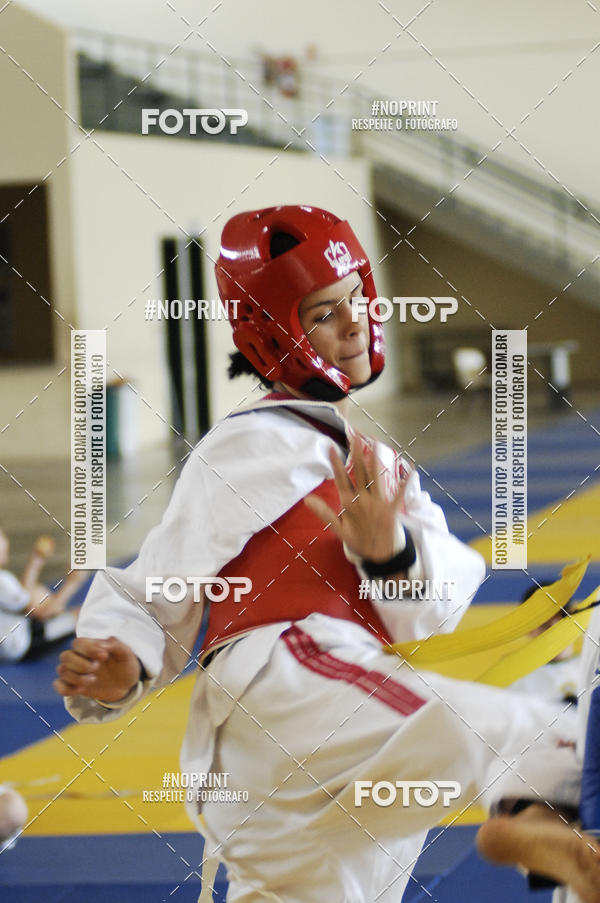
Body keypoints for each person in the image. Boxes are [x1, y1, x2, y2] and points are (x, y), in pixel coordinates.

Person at [54, 205, 599, 902]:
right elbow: (158, 578)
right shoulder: (250, 442)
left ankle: (558, 848)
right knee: (545, 742)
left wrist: (390, 552)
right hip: (289, 693)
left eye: (358, 301)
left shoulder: (382, 468)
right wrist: (123, 658)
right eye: (322, 313)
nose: (352, 324)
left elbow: (438, 611)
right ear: (272, 331)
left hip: (308, 780)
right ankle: (530, 825)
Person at [0, 528, 83, 662]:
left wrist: (36, 561)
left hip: (10, 638)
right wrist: (73, 582)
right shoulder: (2, 580)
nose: (6, 541)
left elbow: (25, 593)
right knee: (81, 615)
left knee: (36, 594)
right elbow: (44, 613)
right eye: (1, 537)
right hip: (23, 643)